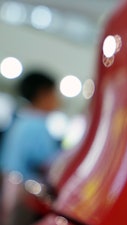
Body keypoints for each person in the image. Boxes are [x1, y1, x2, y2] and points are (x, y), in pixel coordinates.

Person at [0, 70, 61, 225]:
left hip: (9, 183)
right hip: (23, 191)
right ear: (43, 94)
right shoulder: (37, 124)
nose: (58, 101)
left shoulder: (21, 120)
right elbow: (48, 162)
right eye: (54, 94)